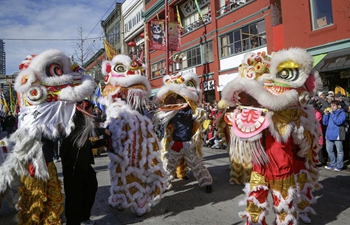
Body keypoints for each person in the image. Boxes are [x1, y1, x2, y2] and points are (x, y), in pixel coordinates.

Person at [60, 100, 111, 225]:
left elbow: (87, 142)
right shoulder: (75, 120)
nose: (92, 111)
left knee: (90, 186)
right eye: (91, 109)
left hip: (83, 163)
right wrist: (103, 133)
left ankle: (84, 217)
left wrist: (103, 141)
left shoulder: (83, 120)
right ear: (84, 108)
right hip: (73, 164)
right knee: (74, 195)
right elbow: (86, 134)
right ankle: (74, 222)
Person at [322, 100, 347, 171]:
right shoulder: (330, 113)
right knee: (329, 150)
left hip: (337, 135)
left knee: (339, 151)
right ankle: (333, 163)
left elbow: (338, 122)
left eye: (333, 106)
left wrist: (332, 114)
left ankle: (339, 165)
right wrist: (326, 115)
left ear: (338, 106)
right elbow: (324, 123)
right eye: (331, 106)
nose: (331, 107)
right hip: (329, 135)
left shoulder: (342, 113)